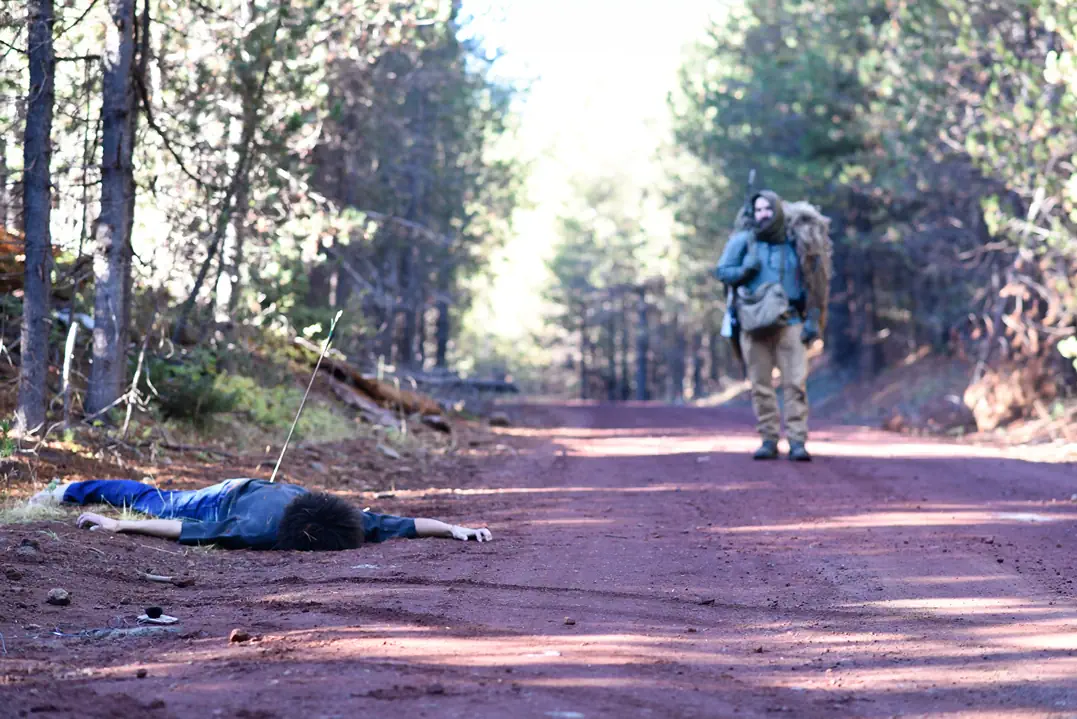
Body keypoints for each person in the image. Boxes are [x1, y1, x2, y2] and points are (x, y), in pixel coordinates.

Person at [29, 477, 492, 550]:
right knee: (155, 498)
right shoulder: (256, 531)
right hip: (225, 497)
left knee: (153, 499)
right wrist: (119, 523)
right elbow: (186, 526)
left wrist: (455, 529)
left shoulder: (352, 518)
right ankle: (68, 489)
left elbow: (407, 525)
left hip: (264, 487)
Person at [716, 189, 831, 462]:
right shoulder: (743, 241)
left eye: (767, 209)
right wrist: (745, 270)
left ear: (777, 210)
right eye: (757, 210)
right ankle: (768, 440)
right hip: (752, 324)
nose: (762, 214)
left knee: (795, 384)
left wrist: (813, 319)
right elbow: (722, 272)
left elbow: (815, 284)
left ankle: (797, 442)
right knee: (760, 385)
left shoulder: (797, 243)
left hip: (789, 321)